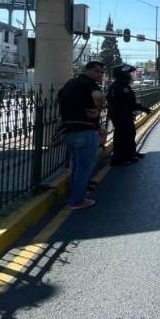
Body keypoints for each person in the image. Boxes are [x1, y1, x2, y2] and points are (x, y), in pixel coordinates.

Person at [58, 61, 106, 210]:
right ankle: (77, 200)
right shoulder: (88, 83)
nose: (101, 75)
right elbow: (98, 96)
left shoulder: (71, 84)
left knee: (77, 166)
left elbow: (60, 97)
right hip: (85, 131)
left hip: (69, 130)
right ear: (89, 70)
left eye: (102, 72)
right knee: (84, 167)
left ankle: (75, 194)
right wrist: (98, 111)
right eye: (98, 72)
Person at [107, 64, 151, 166]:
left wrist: (142, 108)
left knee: (130, 134)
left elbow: (130, 102)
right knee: (121, 136)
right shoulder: (118, 87)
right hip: (120, 116)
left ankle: (131, 154)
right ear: (122, 75)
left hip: (125, 115)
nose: (130, 76)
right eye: (128, 73)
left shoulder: (123, 86)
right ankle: (118, 158)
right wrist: (142, 108)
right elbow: (128, 102)